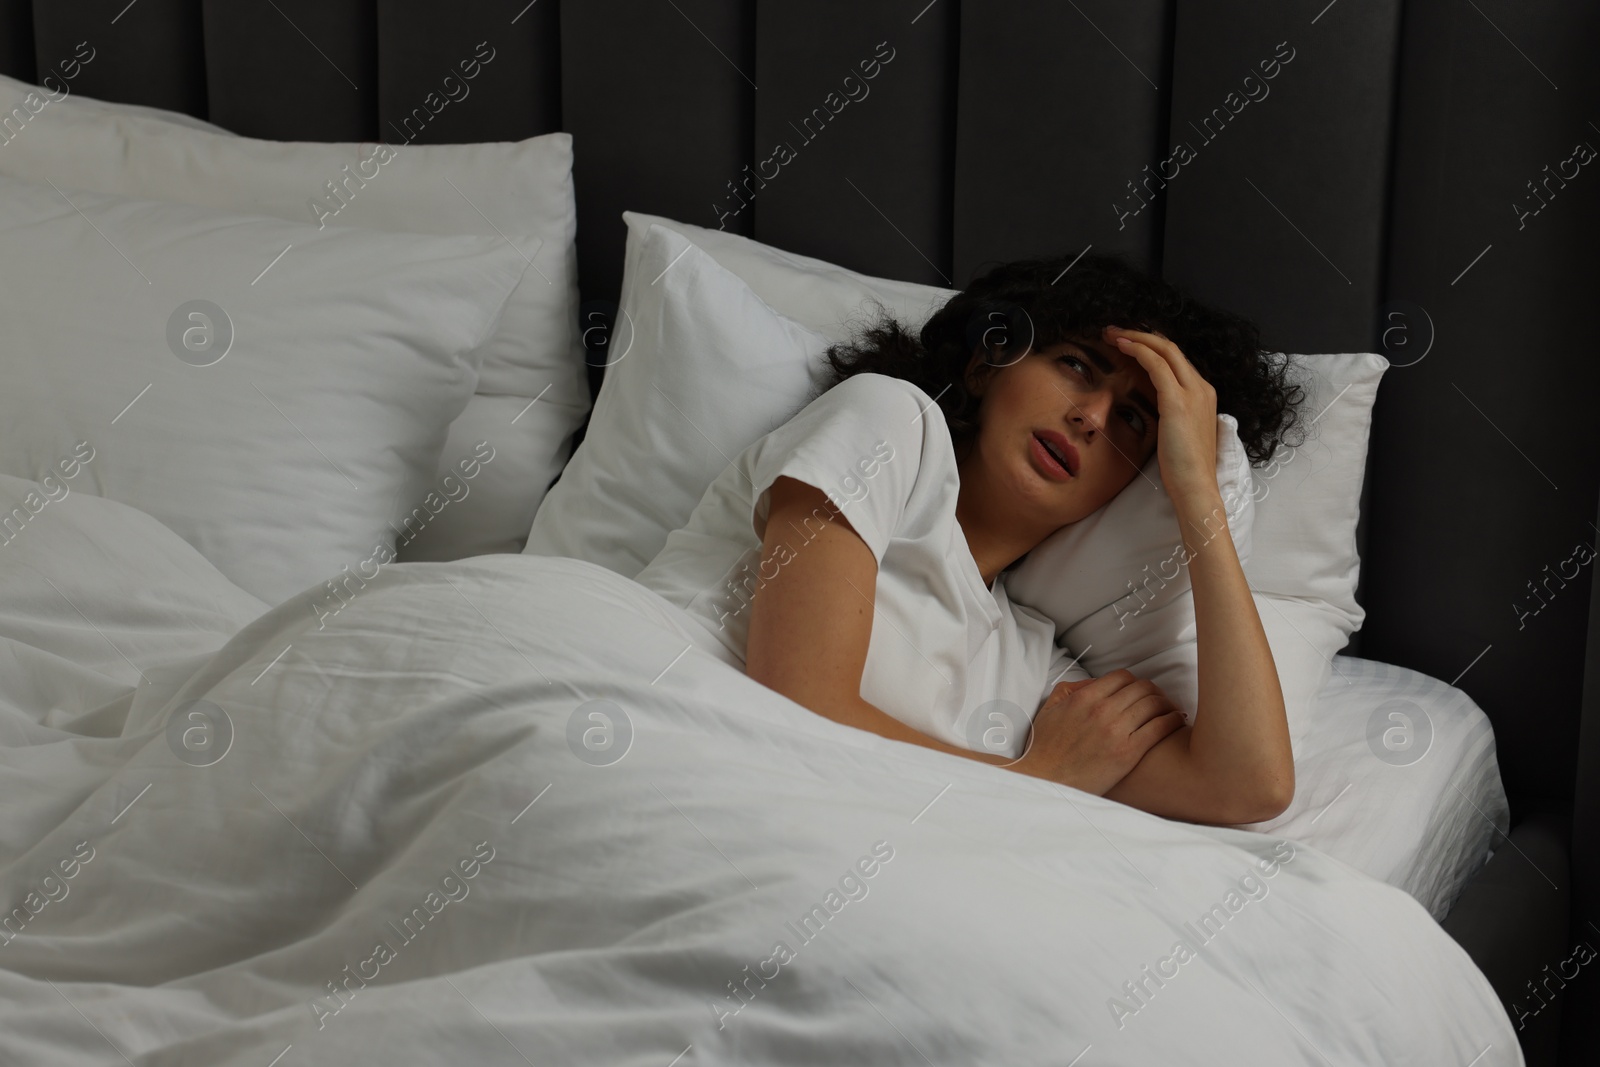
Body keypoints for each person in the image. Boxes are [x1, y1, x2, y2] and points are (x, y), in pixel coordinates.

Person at [634, 252, 1306, 826]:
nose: (1092, 416)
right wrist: (1037, 776)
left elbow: (1250, 784)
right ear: (990, 365)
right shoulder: (889, 422)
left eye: (1132, 419)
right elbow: (800, 708)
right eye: (1077, 365)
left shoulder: (1036, 662)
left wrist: (1197, 498)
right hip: (646, 748)